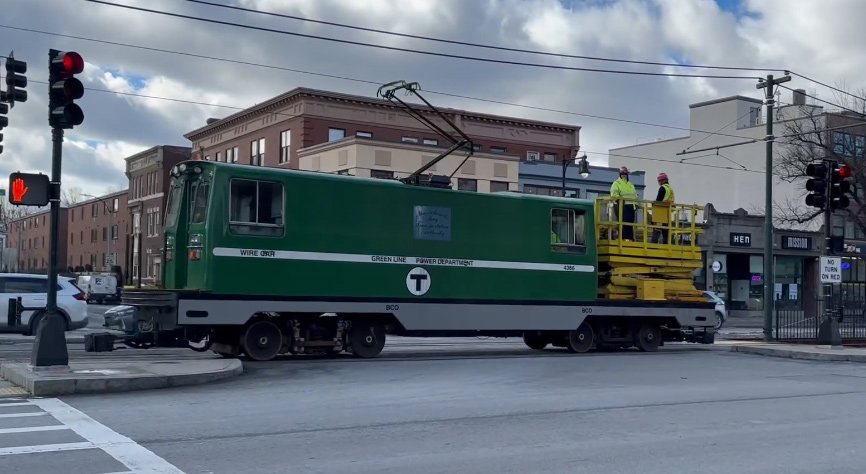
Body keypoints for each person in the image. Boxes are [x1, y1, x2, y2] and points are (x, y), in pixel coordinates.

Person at [610, 166, 638, 240]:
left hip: (632, 206)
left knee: (630, 224)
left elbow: (634, 195)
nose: (624, 175)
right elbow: (614, 195)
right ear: (620, 174)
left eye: (625, 173)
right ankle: (625, 239)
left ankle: (629, 239)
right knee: (625, 224)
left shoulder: (630, 184)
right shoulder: (616, 183)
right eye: (622, 173)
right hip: (623, 206)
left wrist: (636, 205)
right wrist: (620, 201)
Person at [651, 172, 675, 244]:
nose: (659, 183)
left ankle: (654, 243)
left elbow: (658, 200)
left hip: (661, 211)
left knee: (657, 228)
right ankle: (666, 243)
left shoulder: (663, 188)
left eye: (659, 181)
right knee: (666, 230)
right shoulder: (670, 189)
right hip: (668, 212)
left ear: (661, 181)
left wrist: (653, 204)